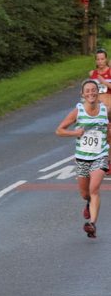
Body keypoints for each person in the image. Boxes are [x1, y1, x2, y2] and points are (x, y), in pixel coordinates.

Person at [55, 78, 111, 238]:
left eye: (93, 90)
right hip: (82, 158)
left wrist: (109, 133)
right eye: (87, 91)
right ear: (82, 94)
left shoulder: (105, 110)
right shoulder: (78, 111)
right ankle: (88, 203)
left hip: (100, 155)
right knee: (85, 194)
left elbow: (109, 135)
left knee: (94, 189)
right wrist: (75, 133)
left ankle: (92, 224)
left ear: (98, 92)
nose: (91, 93)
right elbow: (59, 130)